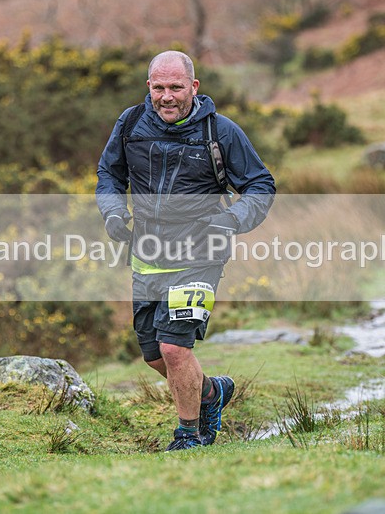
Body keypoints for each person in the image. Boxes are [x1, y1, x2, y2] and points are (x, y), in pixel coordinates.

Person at [96, 50, 275, 451]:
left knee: (175, 347)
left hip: (201, 253)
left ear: (193, 87)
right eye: (159, 87)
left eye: (176, 87)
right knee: (154, 355)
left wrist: (230, 220)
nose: (167, 96)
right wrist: (112, 212)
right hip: (147, 254)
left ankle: (188, 437)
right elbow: (109, 172)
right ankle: (212, 392)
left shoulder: (221, 132)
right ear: (149, 87)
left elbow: (260, 186)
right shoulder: (130, 124)